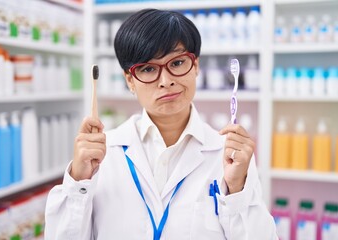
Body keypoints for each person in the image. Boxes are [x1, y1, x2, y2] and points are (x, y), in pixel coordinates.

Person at [45, 8, 278, 240]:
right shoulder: (103, 156)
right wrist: (79, 182)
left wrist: (237, 189)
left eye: (177, 63)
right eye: (147, 69)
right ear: (130, 80)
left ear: (195, 66)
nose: (166, 81)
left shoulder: (228, 154)